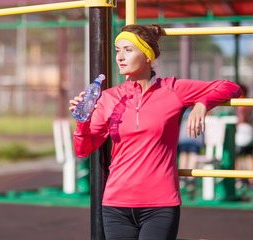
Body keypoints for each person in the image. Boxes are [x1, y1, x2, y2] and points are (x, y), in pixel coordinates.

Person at [69, 24, 242, 240]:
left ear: (148, 55)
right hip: (115, 204)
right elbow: (83, 149)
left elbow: (232, 87)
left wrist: (202, 103)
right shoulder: (108, 97)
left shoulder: (173, 89)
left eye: (128, 50)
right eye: (117, 50)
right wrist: (82, 122)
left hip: (160, 205)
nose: (120, 57)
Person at [177, 107, 205, 194]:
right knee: (189, 155)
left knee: (184, 154)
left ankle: (184, 179)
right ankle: (189, 179)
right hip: (193, 135)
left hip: (186, 135)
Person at [235, 84, 253, 190]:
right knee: (248, 156)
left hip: (242, 132)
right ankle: (251, 181)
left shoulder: (241, 102)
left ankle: (238, 180)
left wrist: (237, 123)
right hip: (249, 130)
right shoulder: (249, 102)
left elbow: (241, 117)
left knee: (237, 157)